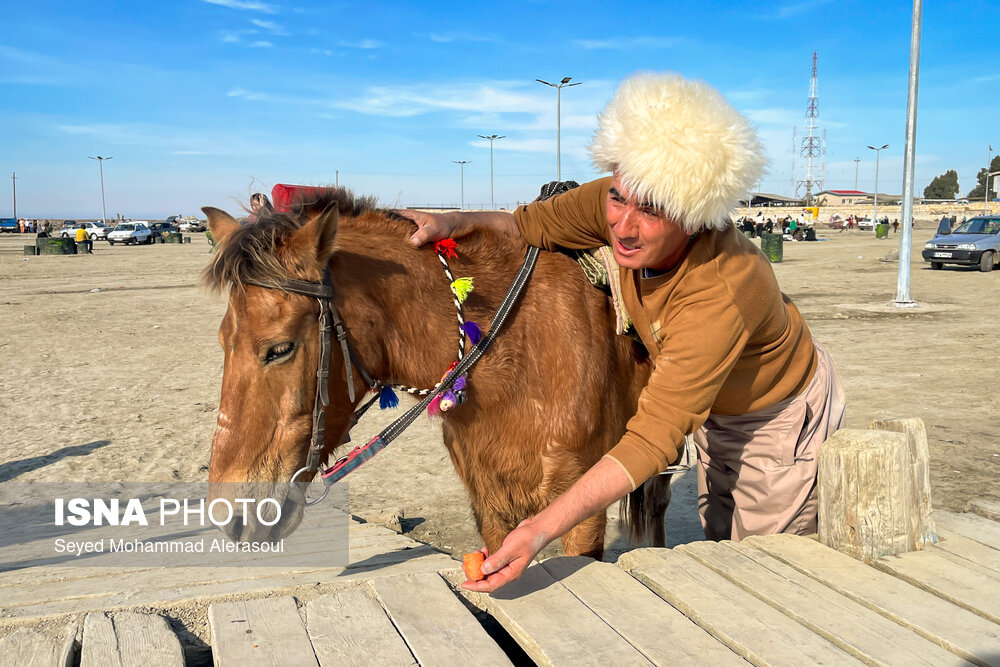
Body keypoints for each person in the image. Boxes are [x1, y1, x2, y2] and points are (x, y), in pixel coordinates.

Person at [403, 72, 846, 593]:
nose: (623, 225)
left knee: (763, 574)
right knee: (722, 541)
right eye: (618, 198)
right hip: (713, 411)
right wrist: (450, 220)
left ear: (694, 216)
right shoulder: (625, 196)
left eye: (652, 210)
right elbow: (529, 224)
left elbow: (652, 438)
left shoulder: (720, 287)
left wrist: (539, 529)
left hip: (773, 414)